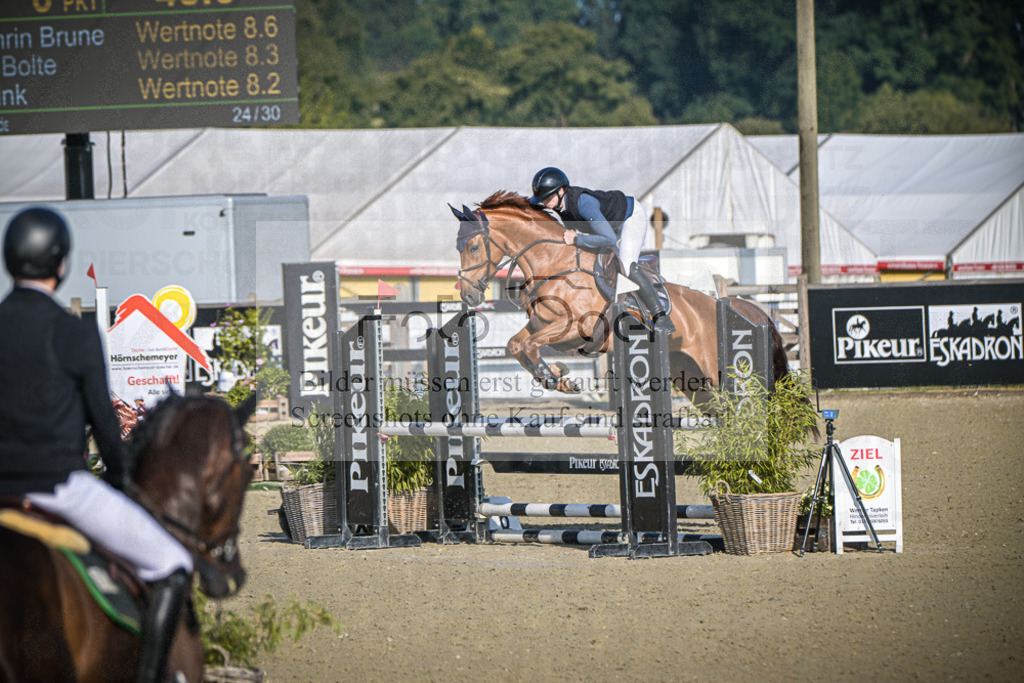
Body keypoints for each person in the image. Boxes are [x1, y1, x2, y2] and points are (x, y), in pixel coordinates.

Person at [0, 207, 192, 683]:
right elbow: (105, 425)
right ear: (61, 264)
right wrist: (122, 480)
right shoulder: (75, 332)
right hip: (60, 489)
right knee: (173, 563)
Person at [529, 167, 670, 326]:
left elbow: (608, 238)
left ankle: (660, 315)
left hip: (630, 217)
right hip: (610, 226)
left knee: (627, 266)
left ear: (561, 191)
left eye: (548, 197)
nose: (545, 203)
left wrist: (577, 239)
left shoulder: (583, 203)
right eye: (542, 199)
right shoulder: (561, 207)